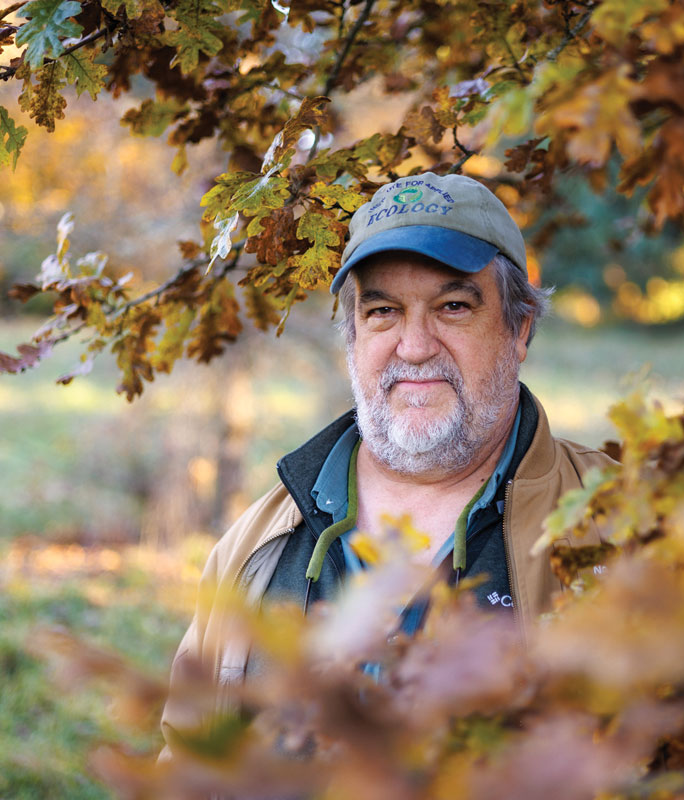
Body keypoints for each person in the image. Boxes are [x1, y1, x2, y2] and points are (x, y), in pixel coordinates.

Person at [161, 172, 614, 752]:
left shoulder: (616, 526)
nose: (415, 345)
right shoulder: (255, 547)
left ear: (518, 328)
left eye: (453, 306)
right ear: (353, 335)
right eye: (383, 312)